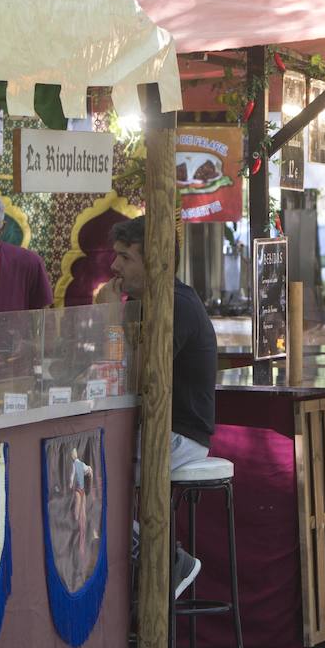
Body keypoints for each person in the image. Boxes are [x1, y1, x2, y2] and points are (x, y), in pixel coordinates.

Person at [108, 215, 213, 599]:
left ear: (154, 259)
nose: (114, 267)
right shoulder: (143, 304)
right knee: (81, 478)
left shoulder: (175, 305)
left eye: (124, 257)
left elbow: (141, 378)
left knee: (84, 481)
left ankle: (170, 560)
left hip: (178, 436)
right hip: (155, 431)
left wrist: (107, 318)